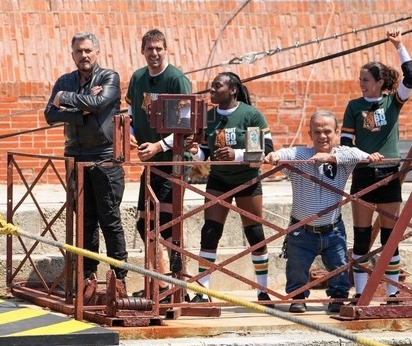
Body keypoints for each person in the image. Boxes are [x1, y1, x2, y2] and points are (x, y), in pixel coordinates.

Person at [264, 111, 382, 313]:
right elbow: (284, 153)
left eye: (327, 131)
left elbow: (360, 155)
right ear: (309, 133)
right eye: (317, 131)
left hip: (333, 229)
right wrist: (274, 155)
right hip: (301, 229)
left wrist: (329, 157)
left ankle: (337, 298)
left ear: (337, 132)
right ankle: (298, 298)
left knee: (339, 268)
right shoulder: (301, 155)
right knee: (297, 269)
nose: (322, 136)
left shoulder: (343, 156)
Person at [44, 31, 128, 288]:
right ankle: (87, 275)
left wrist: (65, 101)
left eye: (88, 51)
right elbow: (50, 115)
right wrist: (82, 111)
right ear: (72, 55)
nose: (84, 55)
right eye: (79, 51)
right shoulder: (65, 79)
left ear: (97, 53)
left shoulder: (109, 76)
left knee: (109, 218)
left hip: (104, 159)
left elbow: (101, 101)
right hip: (75, 157)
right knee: (85, 219)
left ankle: (119, 276)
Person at [341, 28, 412, 304]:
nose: (361, 84)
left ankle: (392, 294)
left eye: (366, 80)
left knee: (390, 237)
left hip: (388, 174)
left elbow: (411, 77)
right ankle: (360, 293)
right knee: (361, 237)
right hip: (363, 172)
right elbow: (345, 142)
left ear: (380, 81)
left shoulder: (392, 101)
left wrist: (399, 45)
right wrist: (363, 154)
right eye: (360, 79)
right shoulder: (353, 106)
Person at [194, 71, 273, 303]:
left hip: (247, 179)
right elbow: (204, 154)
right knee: (210, 232)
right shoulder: (208, 117)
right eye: (211, 86)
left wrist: (236, 154)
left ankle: (263, 290)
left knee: (255, 233)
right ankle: (202, 291)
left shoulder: (250, 116)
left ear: (232, 90)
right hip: (219, 180)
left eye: (217, 86)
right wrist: (193, 152)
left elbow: (266, 149)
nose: (212, 90)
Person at [125, 29, 192, 297]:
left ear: (166, 50)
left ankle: (176, 287)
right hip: (151, 163)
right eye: (149, 49)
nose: (154, 53)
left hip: (173, 161)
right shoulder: (138, 78)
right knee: (146, 224)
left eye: (159, 49)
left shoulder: (176, 80)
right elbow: (130, 113)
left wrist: (158, 145)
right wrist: (129, 136)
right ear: (142, 51)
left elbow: (187, 124)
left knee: (166, 225)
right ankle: (162, 283)